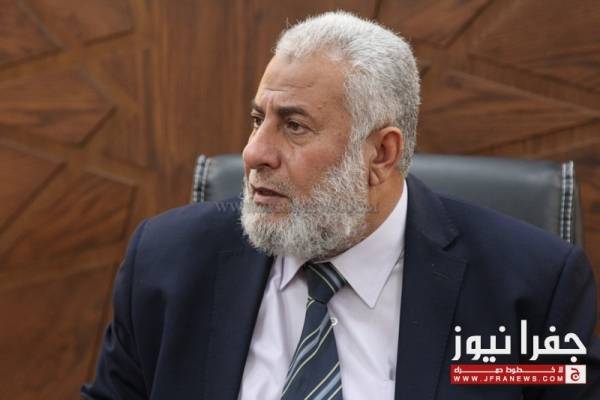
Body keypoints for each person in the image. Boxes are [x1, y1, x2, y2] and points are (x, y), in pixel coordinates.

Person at [81, 11, 600, 400]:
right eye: (257, 119)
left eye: (294, 126)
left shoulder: (531, 291)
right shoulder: (167, 263)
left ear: (381, 154)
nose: (254, 153)